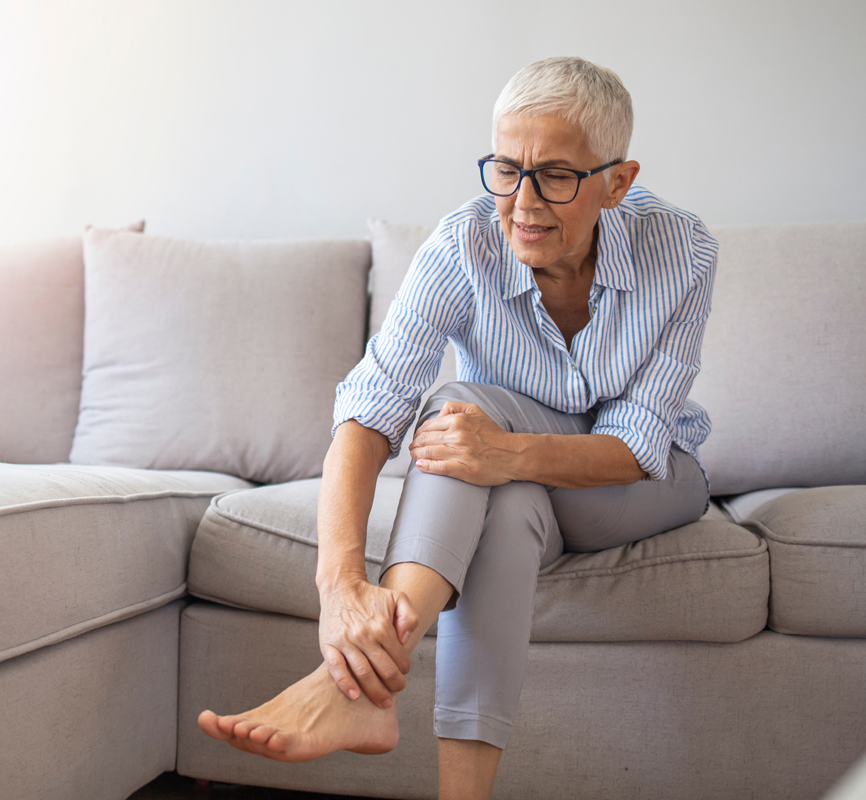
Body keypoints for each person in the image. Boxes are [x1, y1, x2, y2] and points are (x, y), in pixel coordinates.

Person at [197, 56, 716, 800]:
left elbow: (637, 445)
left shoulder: (684, 251)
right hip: (520, 488)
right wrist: (341, 588)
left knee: (463, 404)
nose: (523, 203)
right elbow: (369, 411)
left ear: (617, 182)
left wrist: (504, 449)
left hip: (648, 480)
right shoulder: (459, 245)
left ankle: (350, 691)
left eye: (557, 176)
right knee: (506, 510)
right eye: (506, 169)